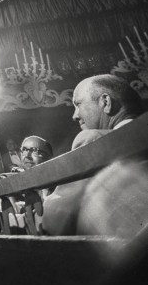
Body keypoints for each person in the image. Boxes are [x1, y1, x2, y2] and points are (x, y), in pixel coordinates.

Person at [43, 74, 145, 236]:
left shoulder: (93, 140)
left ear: (106, 102)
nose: (75, 116)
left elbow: (57, 217)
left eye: (78, 104)